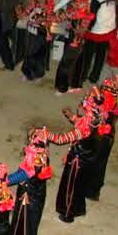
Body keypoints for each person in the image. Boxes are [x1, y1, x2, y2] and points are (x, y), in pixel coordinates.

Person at [48, 88, 109, 222]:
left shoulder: (85, 127)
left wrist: (46, 135)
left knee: (71, 187)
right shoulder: (98, 117)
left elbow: (61, 139)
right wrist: (71, 116)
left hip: (78, 161)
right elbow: (82, 121)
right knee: (80, 185)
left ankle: (68, 213)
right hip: (88, 158)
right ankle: (79, 208)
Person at [7, 129, 52, 235]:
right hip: (36, 195)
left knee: (24, 229)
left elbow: (20, 176)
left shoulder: (35, 161)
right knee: (31, 226)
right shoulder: (42, 156)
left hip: (29, 198)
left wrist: (1, 181)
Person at [84, 12, 118, 82]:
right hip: (109, 63)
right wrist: (86, 34)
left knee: (116, 87)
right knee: (103, 83)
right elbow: (100, 37)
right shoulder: (114, 32)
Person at [82, 0, 117, 84]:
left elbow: (92, 18)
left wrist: (86, 29)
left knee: (87, 56)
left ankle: (82, 76)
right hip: (108, 32)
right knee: (100, 57)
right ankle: (94, 77)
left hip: (96, 32)